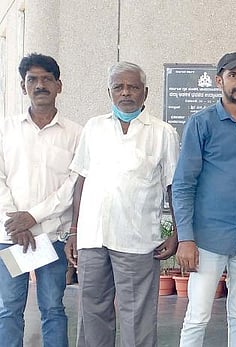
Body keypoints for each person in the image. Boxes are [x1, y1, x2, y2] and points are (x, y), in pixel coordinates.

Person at [65, 61, 180, 347]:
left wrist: (179, 233)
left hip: (137, 239)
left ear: (146, 92)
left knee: (137, 317)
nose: (125, 93)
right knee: (92, 312)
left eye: (133, 87)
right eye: (119, 87)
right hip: (93, 238)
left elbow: (173, 186)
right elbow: (81, 180)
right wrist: (75, 229)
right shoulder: (94, 127)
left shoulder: (162, 132)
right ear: (109, 92)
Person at [173, 52, 236, 347]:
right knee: (198, 315)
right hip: (207, 240)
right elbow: (183, 183)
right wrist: (186, 239)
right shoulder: (201, 124)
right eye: (234, 76)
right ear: (219, 81)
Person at [0, 53, 80, 347]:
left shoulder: (75, 134)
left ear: (59, 86)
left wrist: (32, 217)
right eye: (32, 79)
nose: (40, 85)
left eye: (47, 79)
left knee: (53, 308)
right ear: (23, 87)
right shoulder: (5, 129)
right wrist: (16, 222)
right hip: (10, 237)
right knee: (8, 309)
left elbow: (73, 184)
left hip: (53, 236)